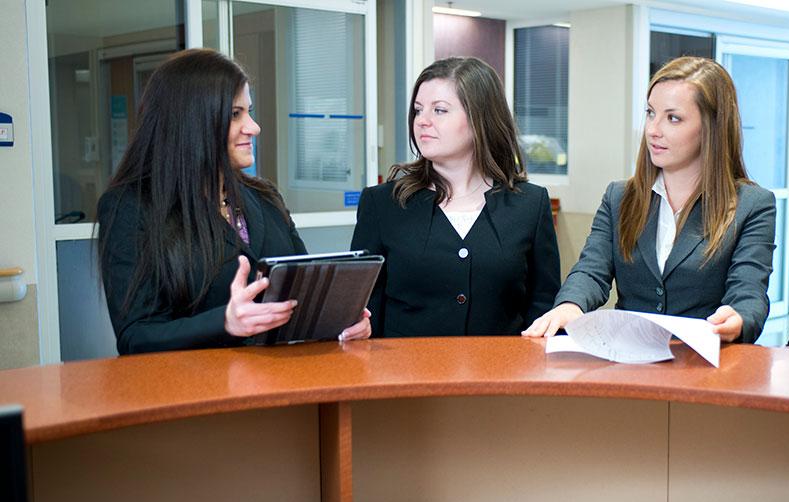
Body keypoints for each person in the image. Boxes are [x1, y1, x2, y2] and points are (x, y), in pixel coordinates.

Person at [98, 49, 370, 355]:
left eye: (249, 111)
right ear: (191, 121)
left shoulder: (265, 197)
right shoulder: (130, 207)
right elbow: (136, 336)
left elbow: (303, 294)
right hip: (201, 393)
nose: (253, 127)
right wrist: (224, 322)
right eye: (235, 114)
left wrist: (341, 320)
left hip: (288, 388)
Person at [523, 56, 776, 342]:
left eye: (673, 118)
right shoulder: (619, 197)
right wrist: (570, 306)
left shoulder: (752, 205)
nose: (653, 130)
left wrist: (739, 317)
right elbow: (591, 271)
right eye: (650, 113)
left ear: (711, 127)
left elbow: (749, 292)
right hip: (629, 364)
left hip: (703, 366)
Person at [350, 57, 560, 337]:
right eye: (417, 110)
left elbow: (544, 307)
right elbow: (362, 311)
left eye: (439, 110)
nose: (422, 121)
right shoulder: (382, 204)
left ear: (479, 119)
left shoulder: (529, 204)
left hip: (503, 376)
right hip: (405, 376)